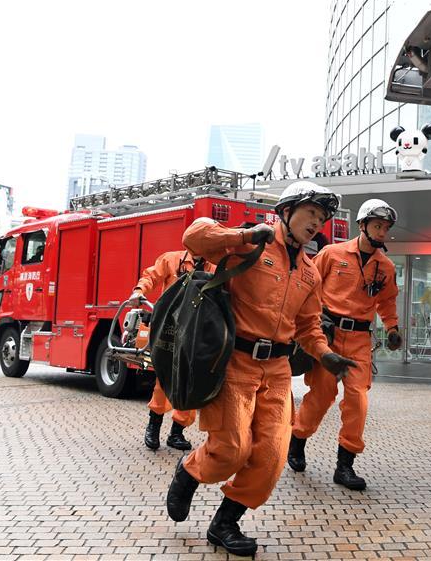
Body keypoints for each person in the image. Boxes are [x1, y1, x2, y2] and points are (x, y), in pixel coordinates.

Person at [164, 181, 358, 556]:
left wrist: (325, 354)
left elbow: (308, 327)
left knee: (271, 456)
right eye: (311, 214)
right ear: (286, 212)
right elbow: (194, 236)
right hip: (235, 363)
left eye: (322, 218)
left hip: (278, 369)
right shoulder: (251, 244)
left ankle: (225, 523)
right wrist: (241, 235)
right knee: (232, 450)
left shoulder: (310, 272)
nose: (317, 222)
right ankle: (190, 471)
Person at [288, 198, 403, 491]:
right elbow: (307, 283)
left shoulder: (385, 267)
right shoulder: (332, 254)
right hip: (327, 335)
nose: (381, 233)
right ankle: (297, 440)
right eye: (377, 226)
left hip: (359, 340)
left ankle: (345, 465)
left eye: (386, 228)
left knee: (358, 401)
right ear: (362, 225)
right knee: (322, 395)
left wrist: (392, 328)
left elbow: (387, 301)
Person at [130, 249, 213, 451]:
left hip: (196, 332)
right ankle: (153, 426)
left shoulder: (215, 266)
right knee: (164, 379)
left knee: (190, 382)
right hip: (170, 328)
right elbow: (151, 275)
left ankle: (177, 433)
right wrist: (140, 290)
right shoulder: (172, 259)